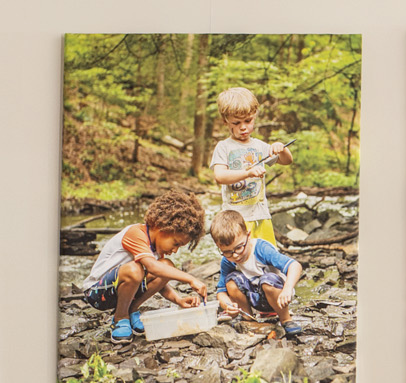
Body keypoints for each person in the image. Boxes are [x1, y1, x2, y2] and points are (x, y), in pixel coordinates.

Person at [81, 187, 208, 343]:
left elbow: (160, 280)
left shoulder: (156, 249)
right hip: (97, 292)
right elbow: (153, 268)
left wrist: (178, 300)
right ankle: (120, 317)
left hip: (122, 292)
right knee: (135, 270)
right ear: (162, 227)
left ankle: (131, 310)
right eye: (176, 243)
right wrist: (190, 279)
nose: (175, 250)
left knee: (166, 265)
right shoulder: (135, 234)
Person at [211, 87, 292, 246]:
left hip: (261, 215)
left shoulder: (259, 146)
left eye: (248, 121)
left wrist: (282, 148)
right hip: (235, 219)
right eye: (236, 123)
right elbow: (220, 176)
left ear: (254, 116)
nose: (243, 127)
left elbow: (286, 161)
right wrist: (247, 173)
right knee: (238, 254)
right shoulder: (223, 147)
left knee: (267, 253)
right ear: (225, 121)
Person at [210, 209, 304, 336]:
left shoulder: (261, 249)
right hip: (254, 296)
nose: (235, 255)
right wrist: (228, 305)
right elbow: (221, 292)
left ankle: (286, 319)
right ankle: (248, 318)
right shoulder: (228, 261)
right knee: (231, 281)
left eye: (239, 247)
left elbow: (295, 266)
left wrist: (287, 289)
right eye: (227, 252)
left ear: (248, 236)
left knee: (267, 281)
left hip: (277, 296)